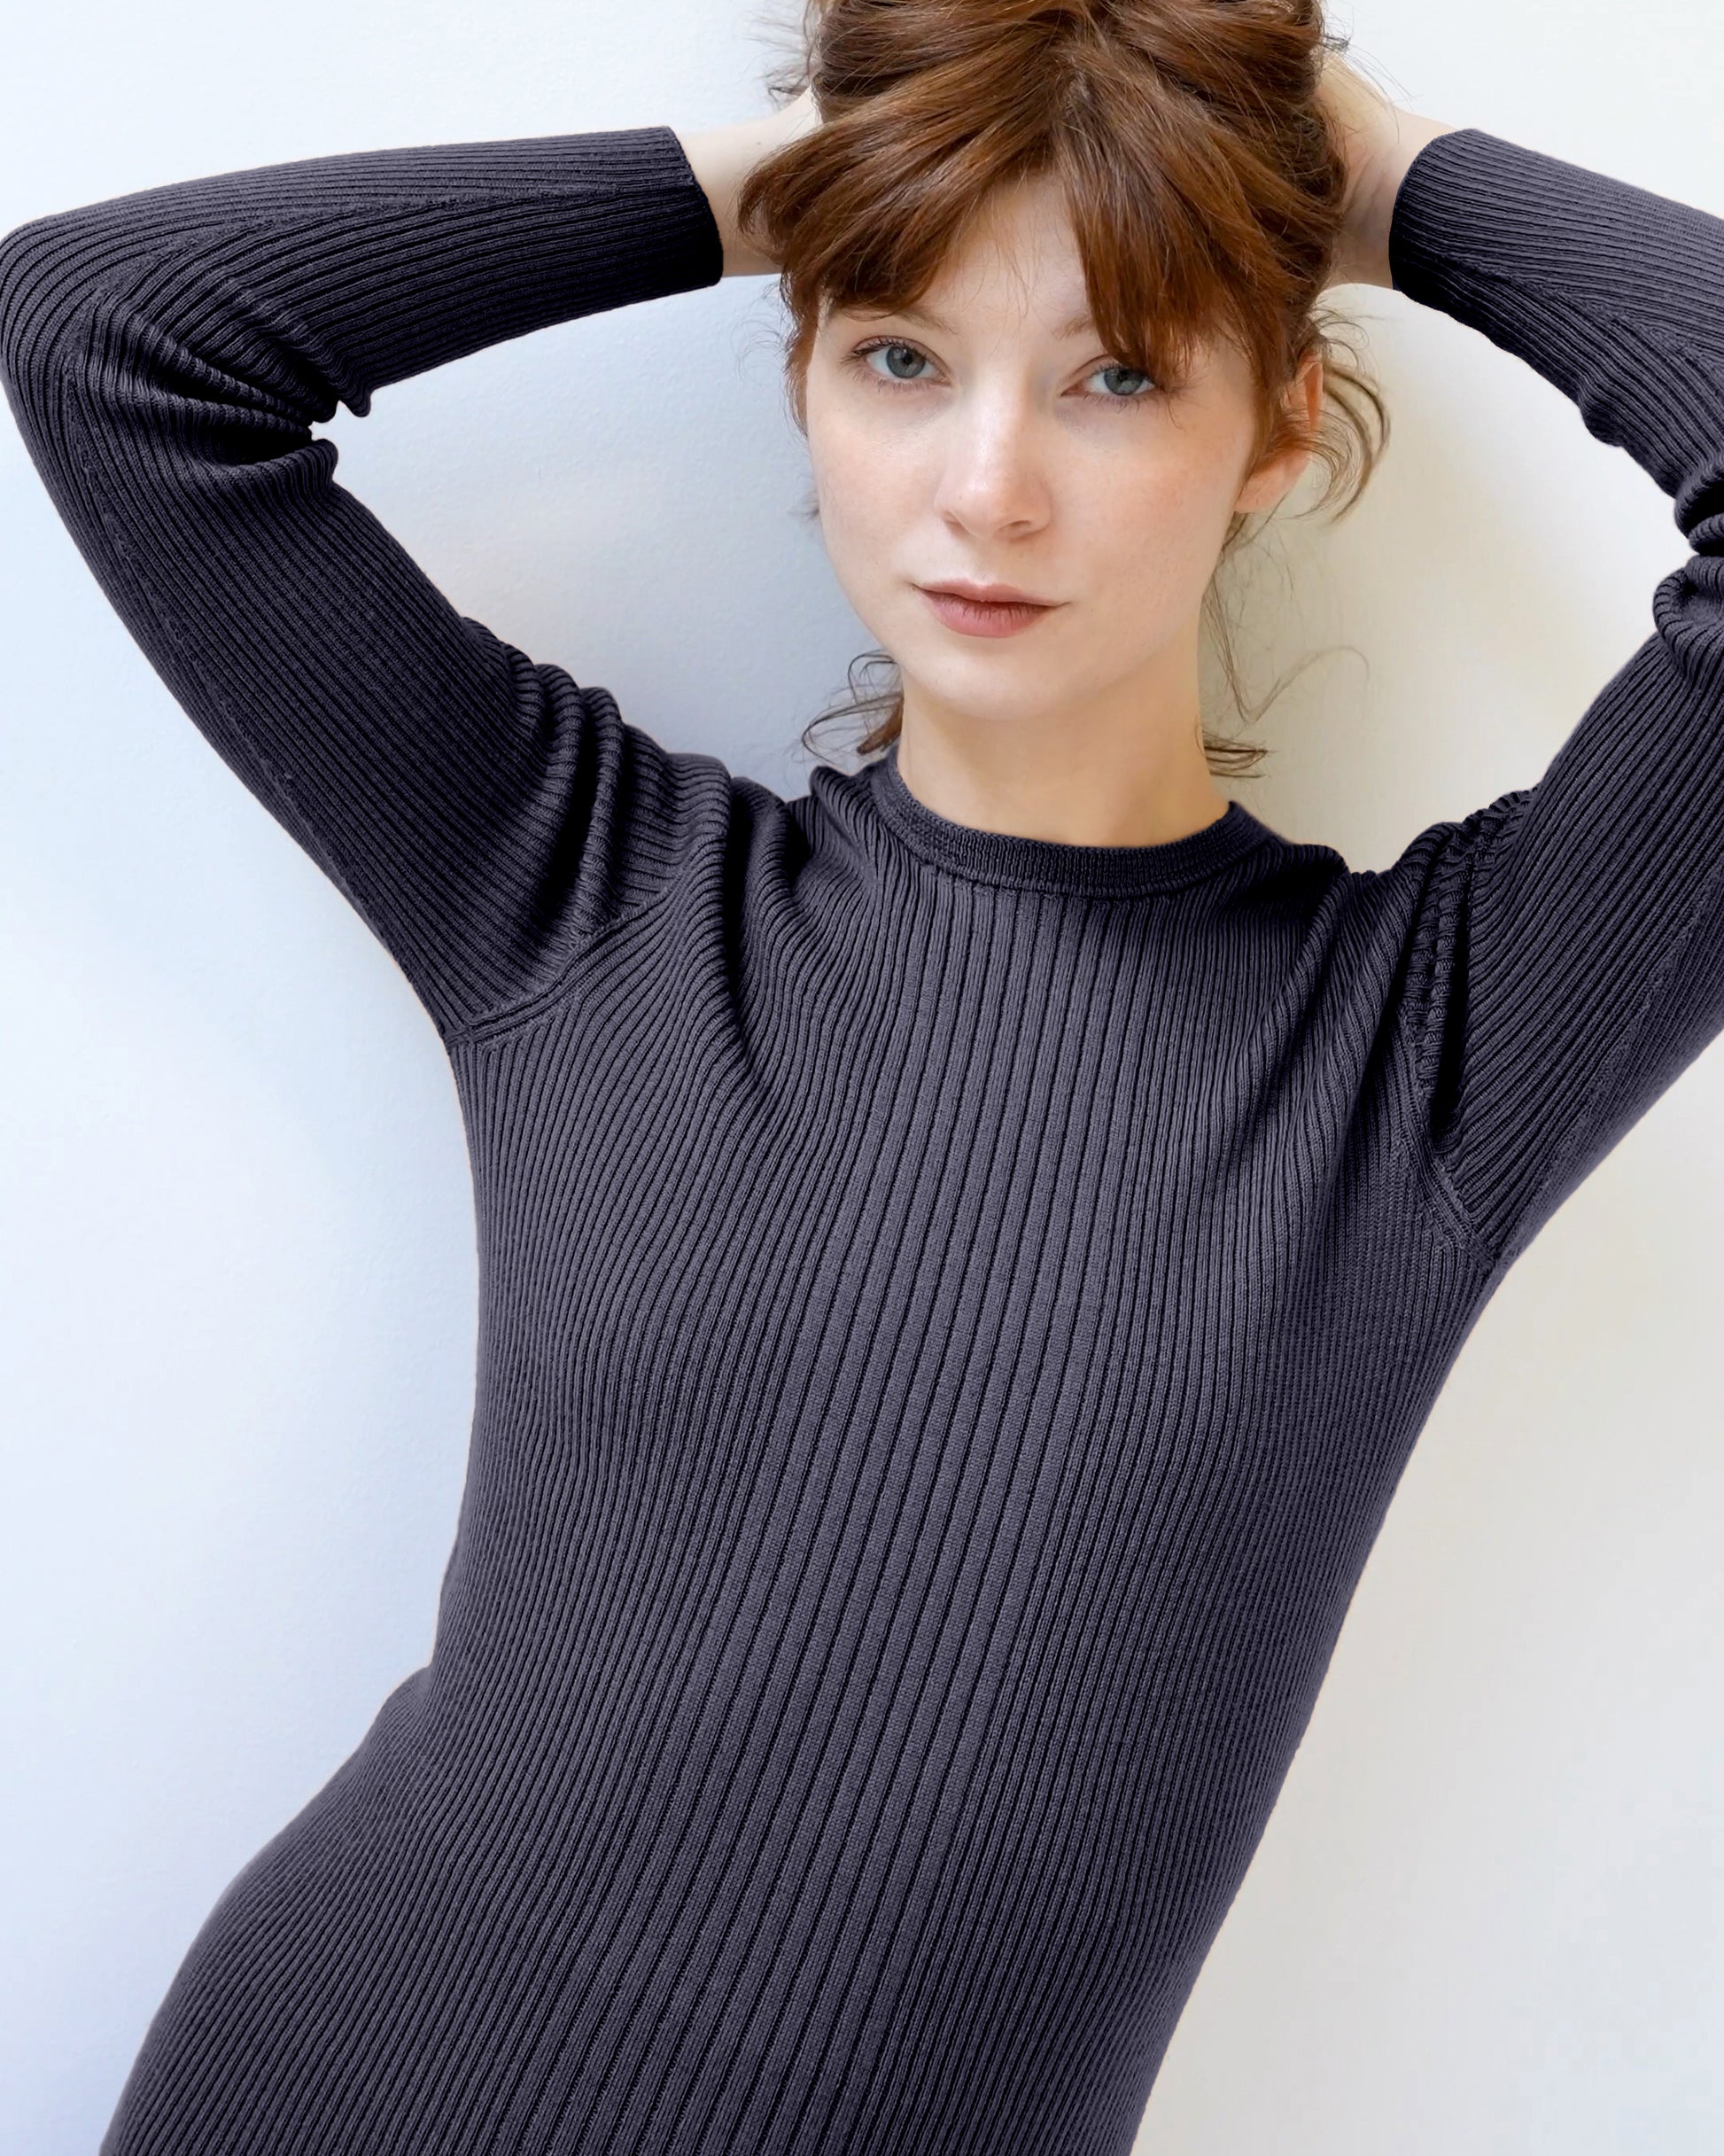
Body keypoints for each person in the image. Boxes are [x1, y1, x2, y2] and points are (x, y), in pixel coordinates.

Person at [2, 1, 1719, 2150]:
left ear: (1280, 423)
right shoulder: (577, 885)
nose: (985, 489)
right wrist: (829, 178)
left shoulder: (1437, 1047)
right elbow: (109, 336)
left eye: (1116, 373)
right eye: (899, 358)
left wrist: (1378, 179)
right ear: (804, 377)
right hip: (334, 2082)